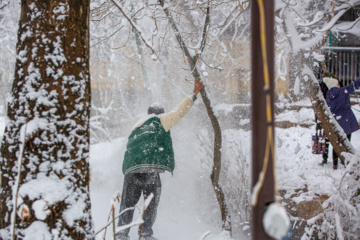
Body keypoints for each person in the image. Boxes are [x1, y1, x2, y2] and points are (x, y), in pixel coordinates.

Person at [116, 79, 205, 240]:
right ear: (160, 113)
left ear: (148, 113)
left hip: (131, 171)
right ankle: (146, 234)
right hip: (150, 171)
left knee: (127, 204)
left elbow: (129, 151)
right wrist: (194, 93)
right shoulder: (160, 120)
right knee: (150, 203)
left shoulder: (137, 126)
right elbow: (179, 111)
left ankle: (122, 234)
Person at [323, 75, 360, 169]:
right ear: (337, 84)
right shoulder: (343, 91)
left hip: (336, 122)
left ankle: (335, 164)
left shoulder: (327, 97)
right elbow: (355, 85)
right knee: (347, 142)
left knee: (337, 143)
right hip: (347, 121)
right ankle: (346, 163)